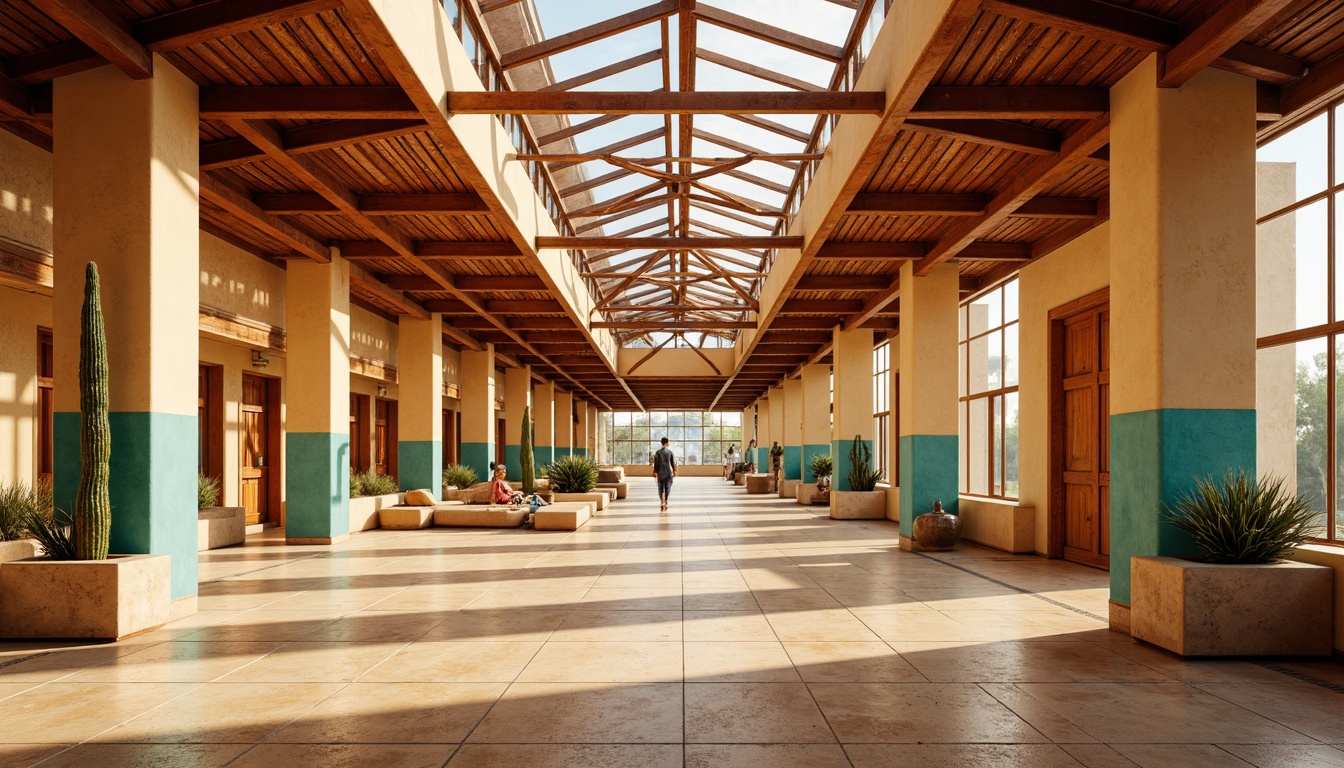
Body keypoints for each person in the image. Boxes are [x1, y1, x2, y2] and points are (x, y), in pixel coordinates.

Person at [652, 436, 677, 512]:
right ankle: (666, 501)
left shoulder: (657, 452)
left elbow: (656, 464)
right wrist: (675, 471)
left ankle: (662, 502)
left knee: (660, 489)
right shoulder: (670, 452)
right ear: (666, 443)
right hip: (668, 473)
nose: (669, 443)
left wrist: (655, 471)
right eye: (668, 442)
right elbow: (673, 463)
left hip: (660, 473)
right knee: (667, 488)